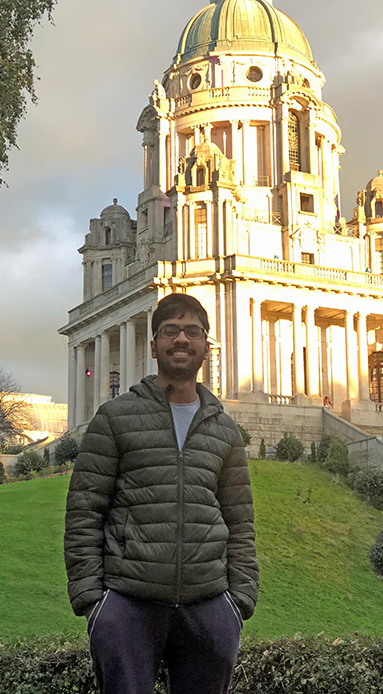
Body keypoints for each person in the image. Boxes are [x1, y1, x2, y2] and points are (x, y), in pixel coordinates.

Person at [64, 293, 258, 694]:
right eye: (170, 330)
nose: (181, 339)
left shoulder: (225, 431)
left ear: (206, 345)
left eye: (192, 331)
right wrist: (94, 602)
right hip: (129, 601)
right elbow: (84, 511)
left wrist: (237, 603)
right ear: (154, 346)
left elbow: (239, 521)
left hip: (208, 603)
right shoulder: (115, 418)